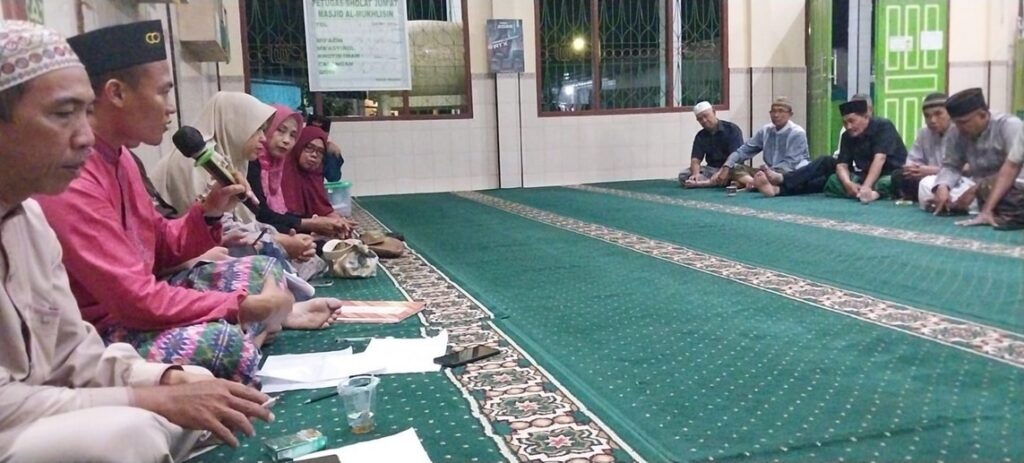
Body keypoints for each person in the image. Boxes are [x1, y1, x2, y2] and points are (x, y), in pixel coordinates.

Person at [0, 20, 272, 462]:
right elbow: (134, 302)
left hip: (51, 394)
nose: (84, 135)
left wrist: (165, 380)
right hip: (26, 407)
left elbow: (73, 350)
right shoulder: (64, 191)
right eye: (63, 114)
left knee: (192, 388)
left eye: (84, 112)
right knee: (130, 433)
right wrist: (146, 398)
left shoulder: (27, 216)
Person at [36, 22, 313, 385]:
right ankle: (258, 331)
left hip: (144, 303)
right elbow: (134, 301)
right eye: (164, 93)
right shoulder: (71, 177)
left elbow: (160, 245)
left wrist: (210, 210)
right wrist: (241, 307)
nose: (171, 109)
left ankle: (261, 328)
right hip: (102, 332)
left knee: (263, 271)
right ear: (117, 93)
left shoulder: (122, 159)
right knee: (226, 345)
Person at [933, 88, 1024, 229]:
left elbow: (1018, 171)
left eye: (963, 122)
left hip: (1011, 186)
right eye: (956, 123)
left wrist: (979, 189)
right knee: (927, 186)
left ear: (983, 115)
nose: (959, 128)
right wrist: (943, 186)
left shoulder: (1009, 126)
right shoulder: (956, 131)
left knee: (1012, 194)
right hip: (976, 187)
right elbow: (951, 165)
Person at [711, 96, 810, 189]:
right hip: (768, 172)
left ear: (790, 115)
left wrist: (766, 172)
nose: (776, 115)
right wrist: (726, 166)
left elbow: (790, 164)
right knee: (734, 167)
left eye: (781, 111)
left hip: (790, 173)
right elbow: (743, 151)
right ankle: (756, 183)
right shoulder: (766, 130)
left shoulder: (797, 133)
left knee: (789, 176)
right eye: (773, 111)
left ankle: (753, 183)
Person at [899, 93, 977, 210]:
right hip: (934, 181)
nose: (932, 120)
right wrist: (914, 170)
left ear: (950, 114)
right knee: (914, 180)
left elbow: (969, 168)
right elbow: (912, 162)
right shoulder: (923, 133)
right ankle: (946, 204)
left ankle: (947, 204)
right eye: (927, 116)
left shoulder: (961, 131)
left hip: (963, 181)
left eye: (938, 114)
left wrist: (932, 171)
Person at [823, 99, 907, 203]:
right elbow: (841, 165)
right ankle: (866, 192)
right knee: (833, 180)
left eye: (852, 121)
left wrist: (866, 187)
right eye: (845, 123)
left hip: (890, 174)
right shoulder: (847, 136)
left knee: (887, 183)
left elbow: (880, 159)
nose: (848, 126)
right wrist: (848, 184)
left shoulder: (883, 126)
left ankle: (872, 192)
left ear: (866, 117)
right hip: (866, 176)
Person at [680, 101, 743, 188]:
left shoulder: (732, 129)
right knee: (684, 175)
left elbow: (735, 157)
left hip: (730, 168)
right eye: (700, 119)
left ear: (714, 112)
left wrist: (722, 171)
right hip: (712, 169)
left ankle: (707, 183)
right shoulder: (700, 135)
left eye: (706, 116)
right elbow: (695, 160)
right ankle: (712, 182)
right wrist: (695, 174)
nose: (704, 120)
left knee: (739, 173)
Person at [283, 126, 338, 219]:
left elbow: (322, 208)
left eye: (320, 151)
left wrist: (338, 221)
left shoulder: (315, 177)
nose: (314, 155)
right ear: (298, 146)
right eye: (309, 148)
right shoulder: (283, 174)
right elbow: (279, 218)